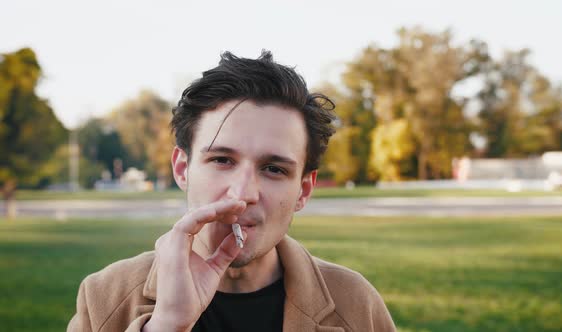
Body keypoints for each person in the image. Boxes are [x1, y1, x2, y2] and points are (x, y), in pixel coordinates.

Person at [67, 51, 396, 332]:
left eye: (274, 169)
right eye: (222, 160)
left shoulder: (357, 306)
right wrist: (166, 325)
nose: (243, 193)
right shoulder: (103, 297)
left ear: (303, 190)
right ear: (182, 168)